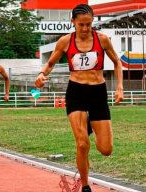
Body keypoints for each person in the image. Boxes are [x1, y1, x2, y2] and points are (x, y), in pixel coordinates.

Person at [34, 4, 123, 192]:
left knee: (106, 149)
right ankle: (84, 186)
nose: (84, 29)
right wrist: (42, 74)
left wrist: (120, 87)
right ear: (73, 22)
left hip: (98, 92)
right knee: (82, 143)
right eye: (80, 24)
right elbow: (50, 63)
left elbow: (117, 63)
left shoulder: (103, 40)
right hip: (76, 92)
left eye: (88, 24)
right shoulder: (65, 42)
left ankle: (89, 122)